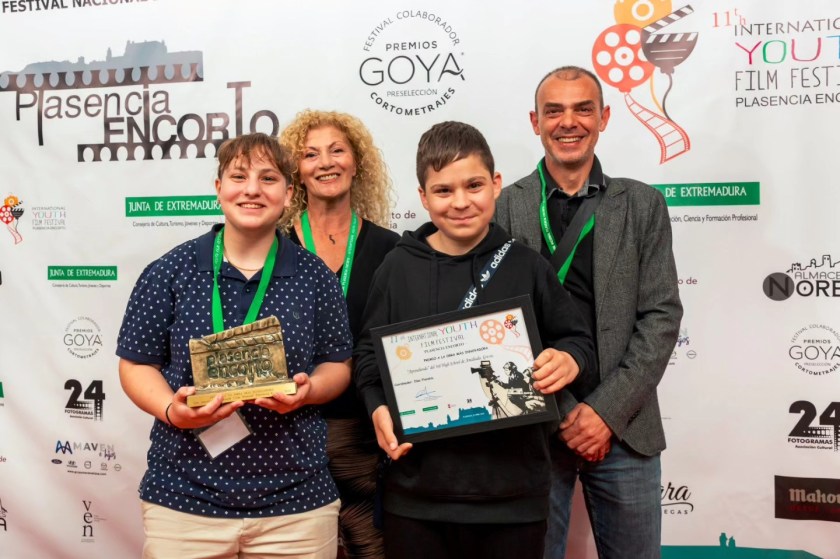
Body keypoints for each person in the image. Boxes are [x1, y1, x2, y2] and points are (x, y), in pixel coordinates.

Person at [354, 121, 596, 559]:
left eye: (474, 185)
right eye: (443, 191)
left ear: (496, 184)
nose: (461, 202)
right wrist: (377, 406)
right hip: (416, 496)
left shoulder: (527, 265)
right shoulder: (396, 267)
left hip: (513, 498)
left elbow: (578, 340)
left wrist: (568, 359)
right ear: (423, 197)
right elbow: (370, 353)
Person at [116, 133, 353, 559]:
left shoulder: (315, 276)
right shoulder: (171, 270)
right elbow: (136, 364)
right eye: (239, 177)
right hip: (184, 499)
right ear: (218, 188)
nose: (252, 190)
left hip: (296, 504)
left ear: (289, 192)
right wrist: (172, 410)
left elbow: (338, 363)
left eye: (268, 178)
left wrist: (309, 391)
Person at [494, 66, 683, 559]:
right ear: (535, 121)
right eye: (554, 111)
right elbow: (498, 328)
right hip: (535, 425)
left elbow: (661, 316)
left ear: (604, 117)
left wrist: (604, 412)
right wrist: (565, 413)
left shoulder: (643, 204)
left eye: (582, 109)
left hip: (626, 426)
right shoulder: (503, 207)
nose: (568, 122)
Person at [279, 110, 399, 559]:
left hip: (366, 433)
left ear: (357, 162)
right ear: (296, 170)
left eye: (337, 150)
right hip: (288, 432)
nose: (325, 162)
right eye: (310, 154)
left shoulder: (392, 249)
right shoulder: (273, 247)